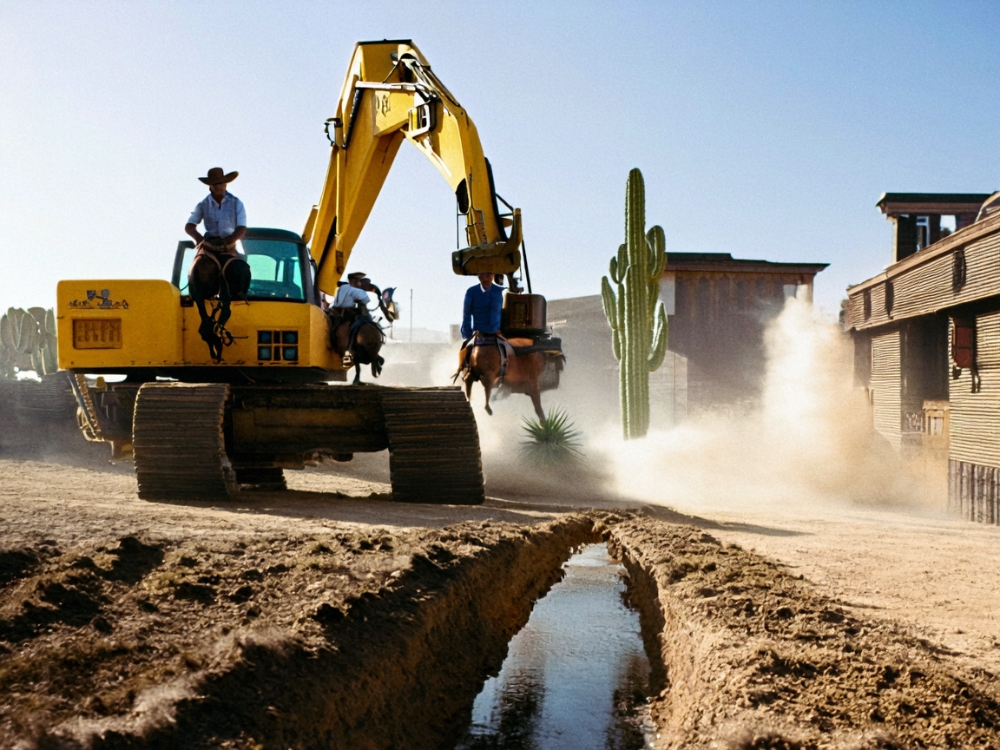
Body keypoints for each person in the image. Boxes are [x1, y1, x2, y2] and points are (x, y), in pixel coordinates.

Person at [185, 167, 247, 256]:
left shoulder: (236, 203)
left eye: (221, 183)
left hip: (229, 247)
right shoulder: (203, 204)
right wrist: (200, 240)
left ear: (225, 184)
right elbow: (189, 226)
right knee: (198, 266)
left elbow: (241, 228)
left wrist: (228, 241)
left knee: (242, 268)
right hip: (208, 247)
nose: (219, 187)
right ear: (210, 187)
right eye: (215, 185)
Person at [461, 272, 504, 340]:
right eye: (482, 273)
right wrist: (468, 335)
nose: (485, 276)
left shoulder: (501, 291)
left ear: (493, 275)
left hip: (498, 334)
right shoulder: (471, 292)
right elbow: (467, 314)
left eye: (489, 273)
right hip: (478, 334)